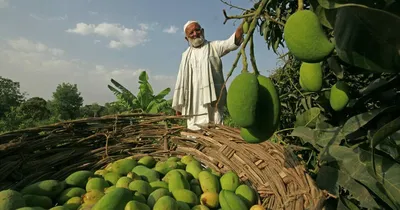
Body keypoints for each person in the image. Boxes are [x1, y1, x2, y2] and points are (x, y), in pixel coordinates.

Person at [172, 20, 244, 131]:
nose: (195, 34)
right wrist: (179, 104)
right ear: (187, 38)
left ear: (202, 31)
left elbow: (231, 43)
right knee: (194, 137)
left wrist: (244, 24)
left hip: (213, 102)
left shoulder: (214, 47)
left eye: (197, 30)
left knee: (216, 133)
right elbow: (181, 80)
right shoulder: (185, 56)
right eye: (191, 33)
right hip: (193, 104)